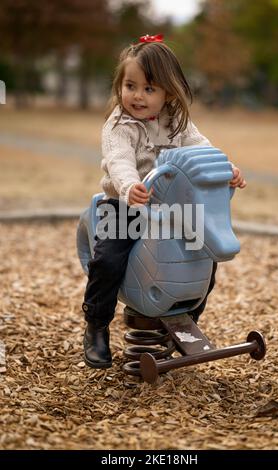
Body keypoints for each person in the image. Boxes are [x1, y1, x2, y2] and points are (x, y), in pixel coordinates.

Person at [82, 34, 246, 369]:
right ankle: (96, 325)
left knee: (204, 258)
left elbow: (203, 149)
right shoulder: (118, 124)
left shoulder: (177, 121)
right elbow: (119, 161)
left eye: (149, 88)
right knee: (109, 259)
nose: (137, 96)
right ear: (120, 86)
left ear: (168, 92)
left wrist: (225, 168)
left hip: (170, 210)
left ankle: (185, 319)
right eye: (130, 86)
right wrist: (130, 187)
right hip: (127, 205)